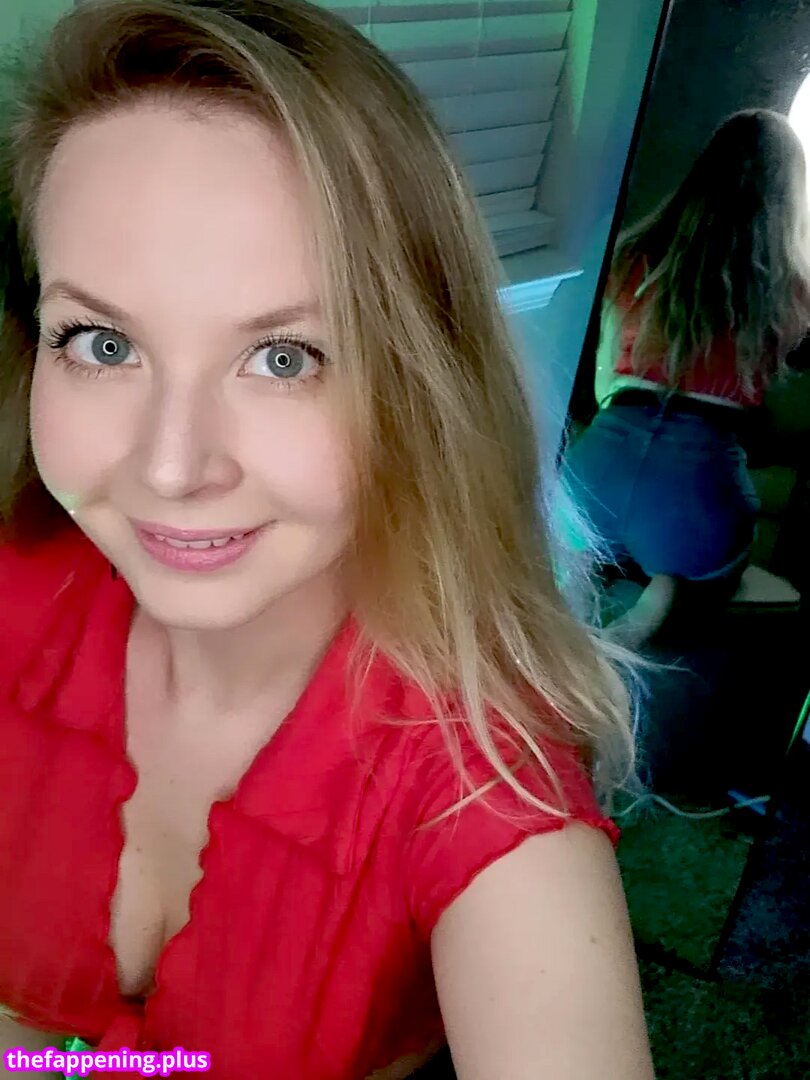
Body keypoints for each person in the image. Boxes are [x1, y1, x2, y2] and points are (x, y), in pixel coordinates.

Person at [0, 1, 655, 1077]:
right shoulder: (21, 594)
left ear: (418, 386)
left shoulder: (480, 794)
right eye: (104, 342)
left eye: (285, 358)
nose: (170, 468)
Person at [561, 108, 810, 646]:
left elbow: (604, 385)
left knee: (575, 544)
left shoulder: (633, 253)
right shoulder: (792, 288)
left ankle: (586, 578)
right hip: (697, 483)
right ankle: (667, 596)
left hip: (600, 461)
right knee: (718, 574)